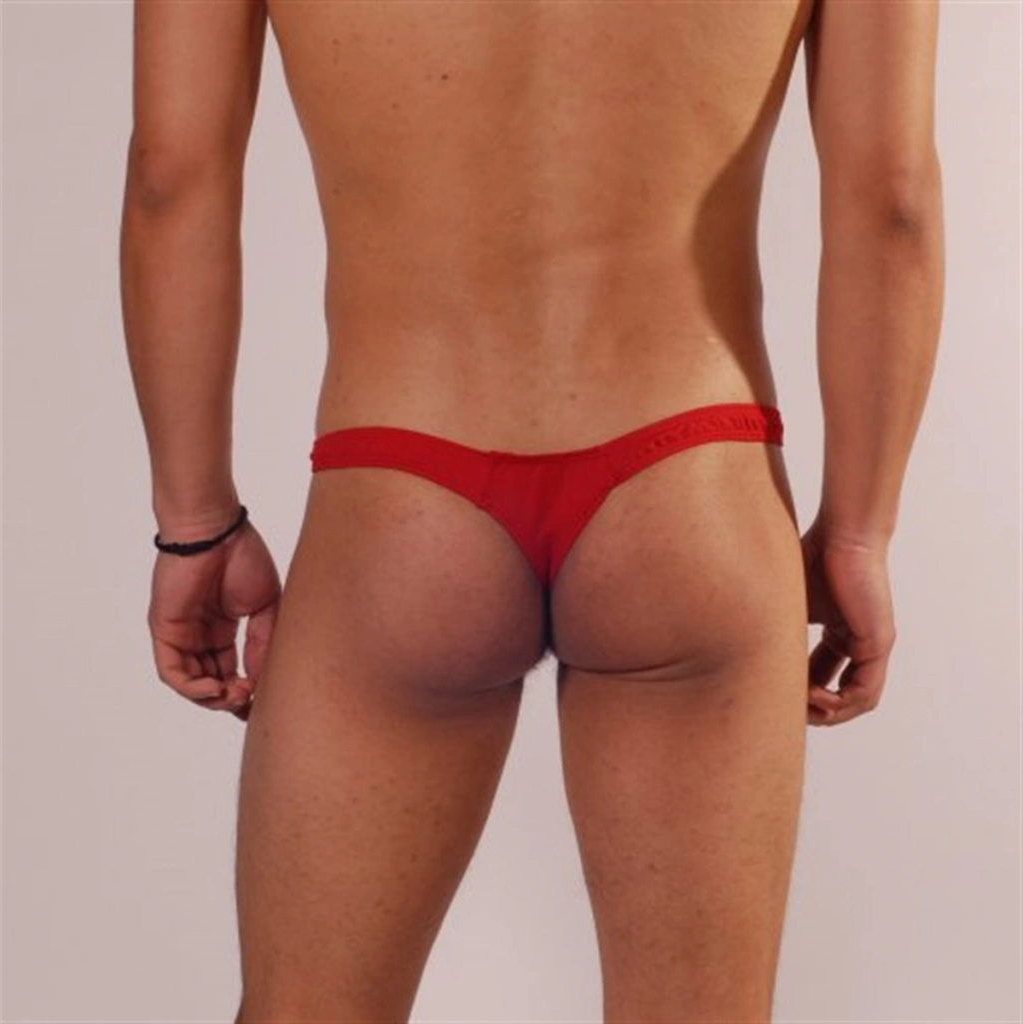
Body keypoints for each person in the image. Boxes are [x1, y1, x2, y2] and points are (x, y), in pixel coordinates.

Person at [119, 0, 944, 1019]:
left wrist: (195, 521)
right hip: (691, 483)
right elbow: (892, 198)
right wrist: (858, 528)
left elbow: (171, 177)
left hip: (402, 487)